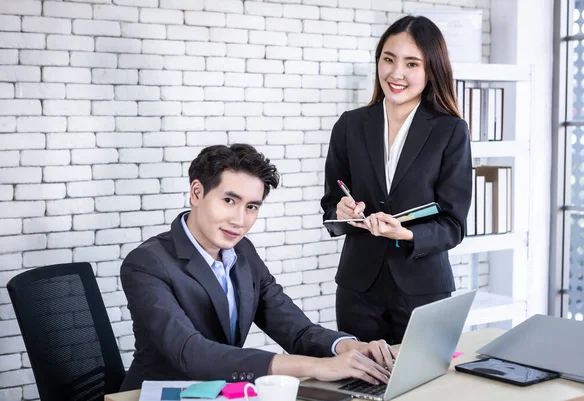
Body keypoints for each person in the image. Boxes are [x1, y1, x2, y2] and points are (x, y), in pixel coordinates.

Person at [120, 144, 397, 391]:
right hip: (158, 394)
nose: (240, 220)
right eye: (229, 200)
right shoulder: (147, 263)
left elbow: (297, 330)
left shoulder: (243, 253)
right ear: (197, 192)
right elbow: (190, 352)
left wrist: (349, 347)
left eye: (252, 206)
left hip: (219, 392)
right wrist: (316, 367)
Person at [320, 16, 472, 345]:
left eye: (411, 63)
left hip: (424, 290)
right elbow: (331, 204)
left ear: (431, 70)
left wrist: (404, 233)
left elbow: (453, 224)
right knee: (357, 386)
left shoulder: (450, 131)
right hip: (357, 290)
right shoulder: (350, 126)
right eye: (388, 59)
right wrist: (342, 211)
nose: (396, 73)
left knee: (423, 391)